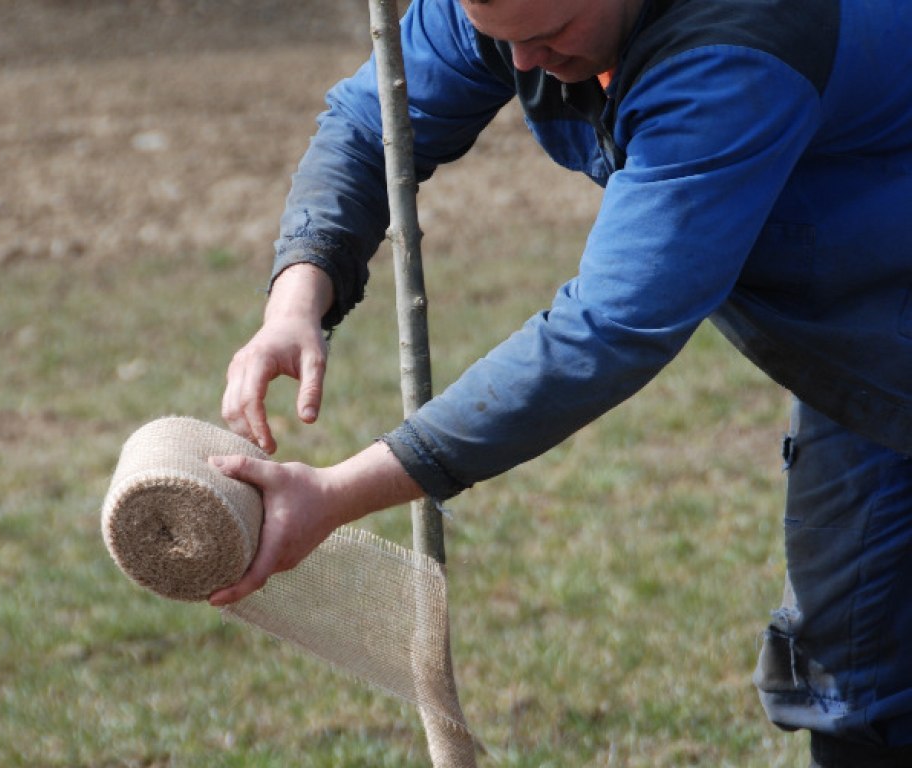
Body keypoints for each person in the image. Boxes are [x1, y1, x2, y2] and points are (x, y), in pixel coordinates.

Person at [206, 0, 912, 764]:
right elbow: (371, 125)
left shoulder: (737, 48)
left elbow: (609, 326)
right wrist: (296, 298)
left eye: (549, 37)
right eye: (502, 40)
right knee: (853, 680)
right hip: (869, 355)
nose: (525, 66)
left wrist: (343, 491)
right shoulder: (508, 10)